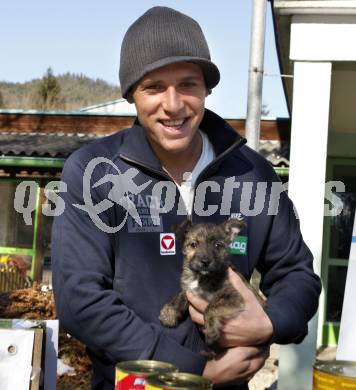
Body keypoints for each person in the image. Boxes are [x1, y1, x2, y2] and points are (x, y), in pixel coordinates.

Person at [52, 6, 321, 390]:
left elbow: (298, 275)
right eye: (154, 87)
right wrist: (192, 370)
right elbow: (80, 299)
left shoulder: (253, 175)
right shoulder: (93, 172)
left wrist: (271, 322)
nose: (174, 104)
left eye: (188, 84)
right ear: (131, 94)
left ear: (207, 88)